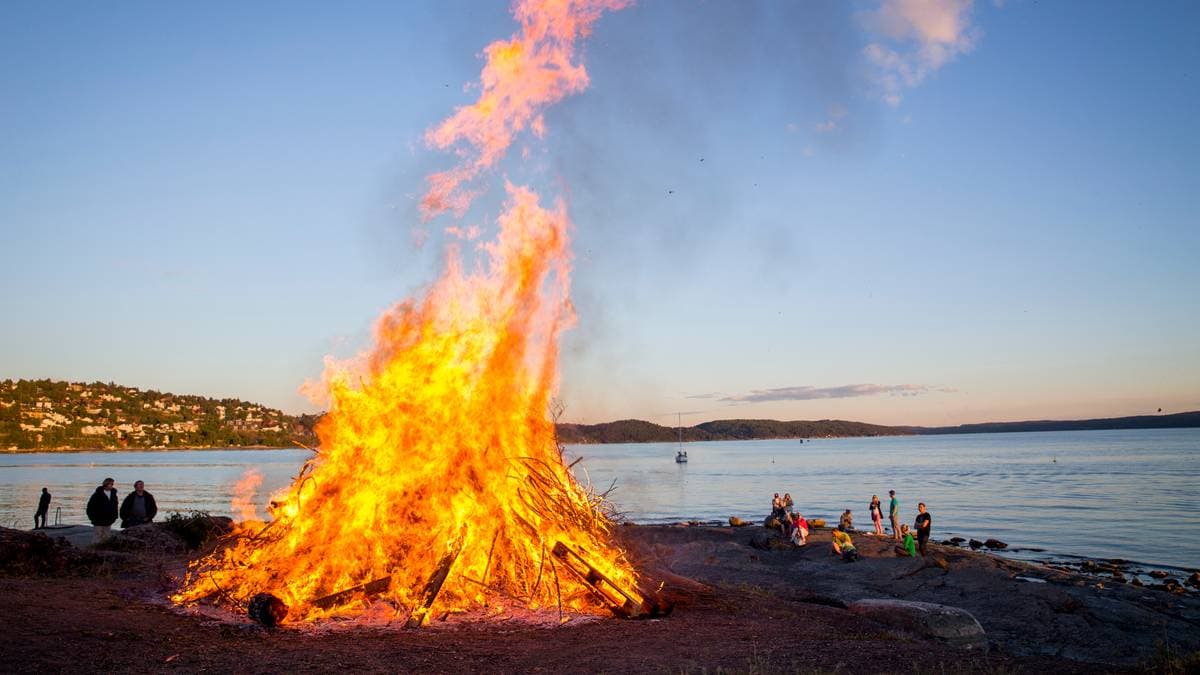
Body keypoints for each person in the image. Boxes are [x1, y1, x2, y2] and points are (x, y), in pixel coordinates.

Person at [86, 478, 119, 544]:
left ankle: (104, 551)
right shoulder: (97, 495)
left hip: (109, 520)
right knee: (98, 536)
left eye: (112, 484)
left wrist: (114, 516)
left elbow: (115, 506)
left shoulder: (113, 494)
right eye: (111, 484)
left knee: (106, 536)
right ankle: (94, 549)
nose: (112, 485)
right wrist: (92, 518)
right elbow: (90, 507)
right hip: (98, 520)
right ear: (106, 484)